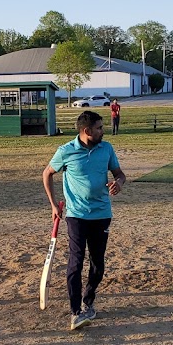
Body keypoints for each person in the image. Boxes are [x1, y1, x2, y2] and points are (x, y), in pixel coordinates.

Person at [41, 111, 126, 331]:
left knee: (97, 264)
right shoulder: (66, 151)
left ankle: (88, 300)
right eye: (99, 128)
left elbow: (120, 173)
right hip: (76, 215)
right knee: (76, 262)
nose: (102, 131)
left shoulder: (106, 148)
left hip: (101, 214)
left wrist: (119, 182)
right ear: (86, 131)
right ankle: (75, 311)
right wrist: (53, 204)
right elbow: (47, 174)